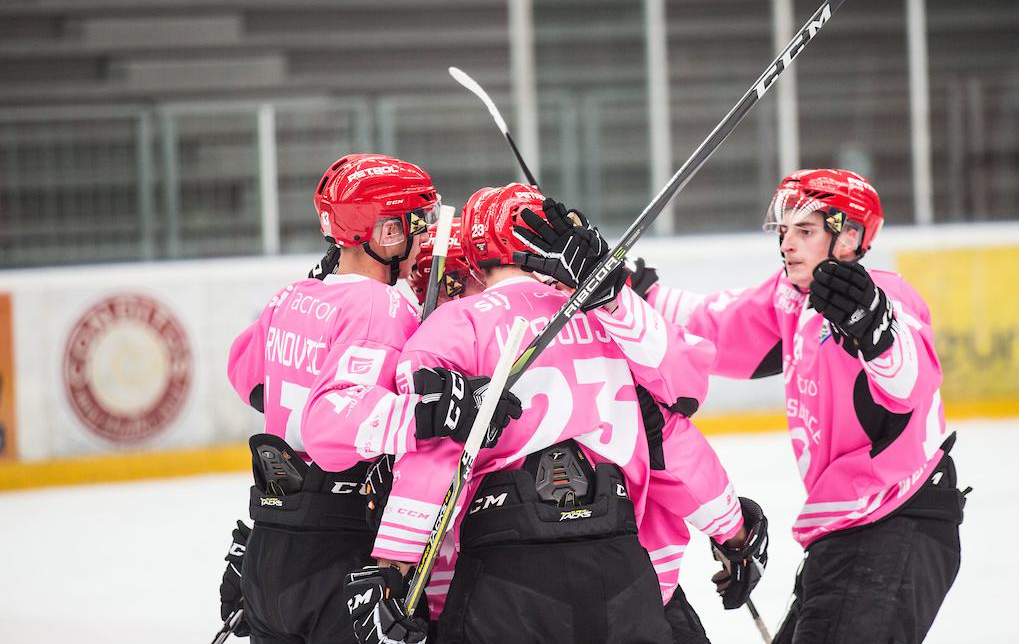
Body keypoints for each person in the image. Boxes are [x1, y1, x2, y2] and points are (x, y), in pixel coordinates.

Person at [337, 184, 762, 644]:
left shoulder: (454, 326)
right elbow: (680, 414)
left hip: (505, 571)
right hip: (623, 569)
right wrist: (733, 532)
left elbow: (432, 458)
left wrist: (393, 568)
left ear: (475, 252)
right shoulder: (605, 317)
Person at [645, 169, 967, 644]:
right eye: (784, 230)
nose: (787, 244)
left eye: (805, 230)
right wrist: (631, 292)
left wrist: (874, 329)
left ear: (850, 236)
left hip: (895, 521)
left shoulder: (885, 294)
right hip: (849, 528)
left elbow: (911, 381)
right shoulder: (794, 301)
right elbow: (714, 321)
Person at [221, 153, 517, 643]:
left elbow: (247, 377)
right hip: (342, 548)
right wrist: (431, 411)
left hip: (271, 545)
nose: (424, 236)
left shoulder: (291, 295)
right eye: (416, 223)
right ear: (385, 233)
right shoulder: (381, 306)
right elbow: (333, 423)